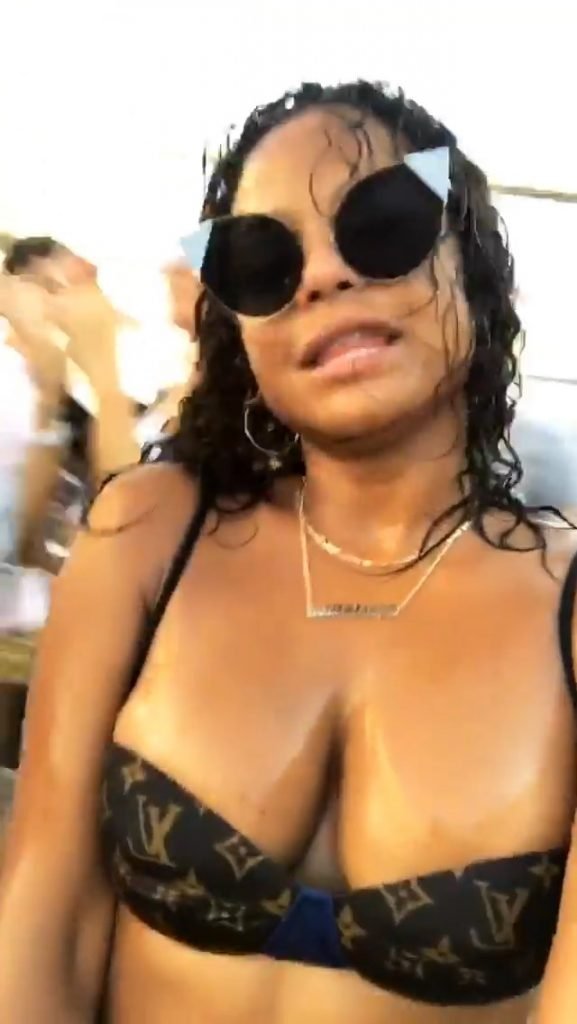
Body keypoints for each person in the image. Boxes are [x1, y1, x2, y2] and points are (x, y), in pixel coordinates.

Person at [0, 80, 575, 1024]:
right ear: (240, 331)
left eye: (382, 224)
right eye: (260, 261)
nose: (321, 277)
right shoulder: (150, 534)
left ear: (469, 259)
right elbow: (43, 921)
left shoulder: (566, 604)